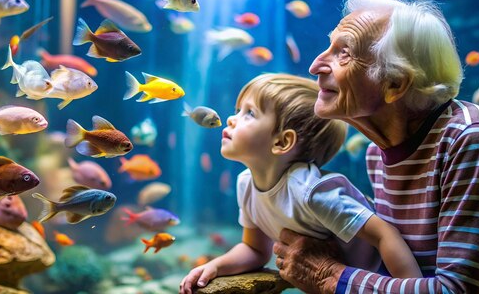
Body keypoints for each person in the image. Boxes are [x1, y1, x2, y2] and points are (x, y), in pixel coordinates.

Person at [272, 0, 479, 293]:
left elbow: (455, 291)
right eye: (329, 46)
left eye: (343, 52)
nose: (315, 65)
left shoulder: (470, 140)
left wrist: (331, 277)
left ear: (395, 84)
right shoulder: (377, 153)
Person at [179, 73, 423, 294]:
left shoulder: (311, 192)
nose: (231, 119)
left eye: (249, 113)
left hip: (377, 279)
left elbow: (384, 234)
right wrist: (215, 266)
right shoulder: (246, 184)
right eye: (238, 110)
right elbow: (255, 251)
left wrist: (407, 288)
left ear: (282, 142)